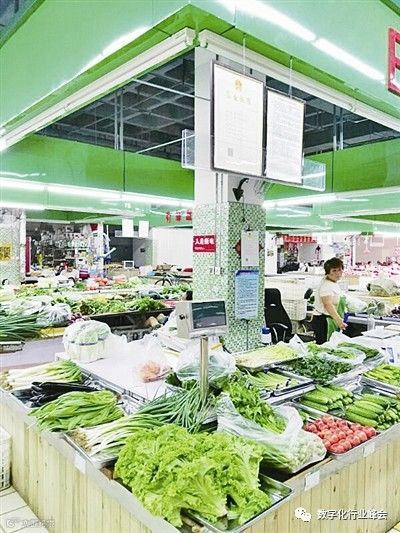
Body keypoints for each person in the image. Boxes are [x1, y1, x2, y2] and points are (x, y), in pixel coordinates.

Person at [312, 257, 347, 344]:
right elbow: (328, 305)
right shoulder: (326, 286)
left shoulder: (333, 282)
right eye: (334, 270)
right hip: (323, 321)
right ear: (328, 272)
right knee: (324, 347)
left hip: (330, 319)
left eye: (340, 270)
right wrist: (339, 321)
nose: (338, 273)